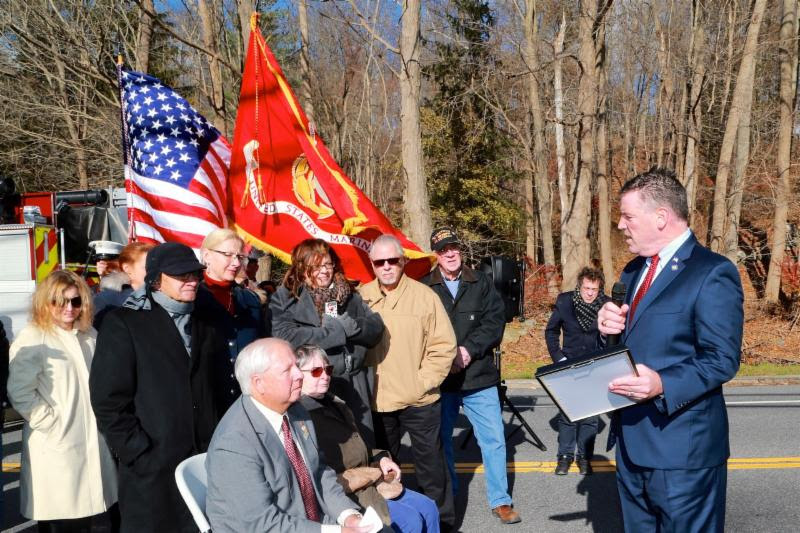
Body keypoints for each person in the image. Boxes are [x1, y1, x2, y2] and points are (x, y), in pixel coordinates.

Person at [597, 168, 743, 533]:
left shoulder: (712, 272)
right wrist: (607, 333)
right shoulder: (633, 272)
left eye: (628, 216)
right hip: (631, 444)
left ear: (661, 216)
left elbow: (721, 358)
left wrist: (662, 383)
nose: (620, 225)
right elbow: (632, 346)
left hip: (683, 453)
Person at [90, 242, 227, 533]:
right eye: (181, 275)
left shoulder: (207, 323)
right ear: (157, 278)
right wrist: (139, 453)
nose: (191, 281)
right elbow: (108, 401)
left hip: (205, 464)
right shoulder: (124, 323)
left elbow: (220, 389)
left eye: (195, 274)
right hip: (152, 471)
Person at [205, 338, 367, 533]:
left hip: (308, 522)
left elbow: (319, 471)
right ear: (259, 383)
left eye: (296, 366)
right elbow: (261, 524)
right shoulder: (234, 443)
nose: (299, 374)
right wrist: (335, 532)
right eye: (287, 370)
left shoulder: (296, 411)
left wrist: (348, 515)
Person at [421, 227, 520, 525]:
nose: (450, 253)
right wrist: (444, 359)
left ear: (460, 250)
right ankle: (450, 497)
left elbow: (494, 324)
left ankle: (501, 501)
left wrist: (468, 351)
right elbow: (421, 332)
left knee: (493, 439)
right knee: (443, 442)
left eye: (454, 248)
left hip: (479, 377)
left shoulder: (482, 282)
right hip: (442, 379)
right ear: (435, 255)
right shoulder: (425, 287)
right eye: (443, 250)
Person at [359, 234, 458, 531]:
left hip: (420, 401)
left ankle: (442, 523)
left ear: (402, 261)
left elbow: (444, 346)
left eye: (393, 260)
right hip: (377, 401)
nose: (387, 267)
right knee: (381, 472)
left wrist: (422, 382)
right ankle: (389, 523)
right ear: (372, 264)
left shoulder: (425, 296)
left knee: (432, 470)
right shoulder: (360, 299)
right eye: (380, 262)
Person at [8, 270, 118, 532]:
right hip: (57, 447)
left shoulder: (89, 335)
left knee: (99, 518)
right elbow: (20, 391)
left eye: (76, 301)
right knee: (64, 520)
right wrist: (51, 424)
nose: (69, 308)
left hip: (94, 441)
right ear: (46, 302)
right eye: (60, 301)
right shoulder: (34, 337)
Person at [297, 344, 440, 533]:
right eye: (316, 371)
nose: (325, 375)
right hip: (349, 491)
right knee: (409, 521)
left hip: (371, 479)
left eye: (327, 369)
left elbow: (359, 448)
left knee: (429, 508)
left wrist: (381, 458)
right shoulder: (301, 416)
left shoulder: (334, 403)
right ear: (297, 375)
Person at [271, 238, 384, 447]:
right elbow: (286, 336)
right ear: (302, 268)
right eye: (316, 266)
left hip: (353, 384)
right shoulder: (286, 297)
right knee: (323, 449)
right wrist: (336, 331)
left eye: (328, 264)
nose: (324, 271)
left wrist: (354, 327)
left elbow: (376, 328)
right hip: (311, 385)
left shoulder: (349, 293)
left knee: (362, 447)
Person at [545, 266, 608, 476]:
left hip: (594, 366)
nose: (590, 293)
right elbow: (551, 331)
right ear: (579, 286)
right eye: (587, 288)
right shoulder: (565, 301)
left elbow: (615, 335)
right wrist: (559, 358)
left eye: (595, 289)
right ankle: (564, 456)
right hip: (568, 364)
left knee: (590, 417)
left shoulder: (607, 305)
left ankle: (584, 457)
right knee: (568, 414)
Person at [197, 229, 269, 412]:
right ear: (207, 255)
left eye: (240, 257)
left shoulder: (250, 301)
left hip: (246, 402)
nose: (236, 263)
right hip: (206, 405)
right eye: (228, 255)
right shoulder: (192, 301)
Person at [93, 241, 154, 329]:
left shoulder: (160, 296)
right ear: (127, 268)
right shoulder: (107, 299)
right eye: (147, 267)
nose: (153, 271)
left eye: (155, 266)